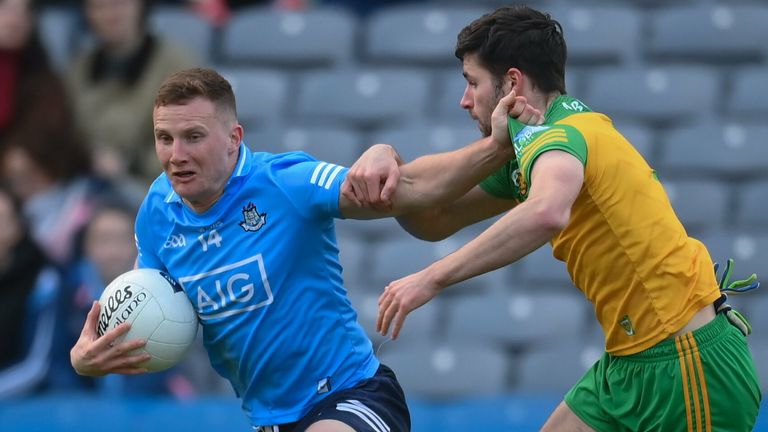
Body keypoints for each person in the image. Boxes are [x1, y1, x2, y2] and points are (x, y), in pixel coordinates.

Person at [343, 5, 762, 432]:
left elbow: (546, 212)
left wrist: (430, 278)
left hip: (687, 364)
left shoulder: (565, 135)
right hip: (630, 365)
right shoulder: (531, 148)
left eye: (472, 83)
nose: (464, 100)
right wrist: (387, 157)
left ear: (511, 83)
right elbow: (432, 217)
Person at [67, 67, 541, 431]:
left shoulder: (284, 182)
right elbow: (151, 310)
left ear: (234, 140)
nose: (176, 155)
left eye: (193, 137)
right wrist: (86, 359)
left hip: (352, 395)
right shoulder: (156, 212)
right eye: (164, 139)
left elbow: (409, 191)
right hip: (268, 418)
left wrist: (494, 149)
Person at [66, 0, 200, 184]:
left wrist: (129, 164)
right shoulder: (79, 69)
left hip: (157, 187)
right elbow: (67, 133)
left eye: (119, 3)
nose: (110, 14)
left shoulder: (178, 66)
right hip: (87, 181)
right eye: (98, 6)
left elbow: (193, 141)